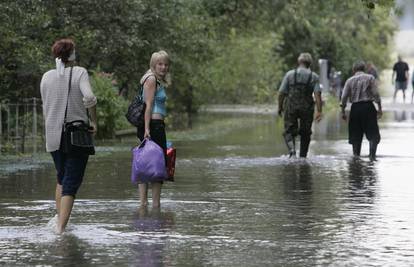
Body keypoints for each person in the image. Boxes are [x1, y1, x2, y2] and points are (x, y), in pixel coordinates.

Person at [40, 38, 97, 233]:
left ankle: (59, 220)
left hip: (53, 135)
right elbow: (89, 97)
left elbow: (46, 106)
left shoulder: (46, 76)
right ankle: (61, 231)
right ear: (72, 54)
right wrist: (94, 120)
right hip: (76, 136)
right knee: (71, 183)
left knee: (62, 177)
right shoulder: (79, 72)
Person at [137, 50, 170, 208]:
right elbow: (148, 106)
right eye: (160, 64)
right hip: (153, 127)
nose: (163, 67)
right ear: (153, 65)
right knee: (158, 165)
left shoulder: (152, 78)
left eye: (165, 64)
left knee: (145, 163)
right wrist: (147, 129)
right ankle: (154, 204)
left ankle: (144, 204)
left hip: (152, 126)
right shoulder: (151, 79)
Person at [278, 52, 323, 158]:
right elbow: (317, 95)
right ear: (310, 63)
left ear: (299, 62)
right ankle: (303, 156)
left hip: (291, 106)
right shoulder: (314, 76)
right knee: (306, 132)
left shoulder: (289, 74)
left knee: (289, 130)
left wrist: (280, 107)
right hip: (307, 108)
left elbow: (281, 93)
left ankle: (292, 152)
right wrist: (319, 111)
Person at [341, 60, 382, 161]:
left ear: (353, 69)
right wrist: (380, 108)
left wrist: (343, 111)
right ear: (365, 69)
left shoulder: (349, 80)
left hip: (355, 109)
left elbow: (343, 97)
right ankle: (372, 157)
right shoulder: (370, 78)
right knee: (373, 135)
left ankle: (356, 158)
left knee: (355, 135)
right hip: (368, 107)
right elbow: (376, 94)